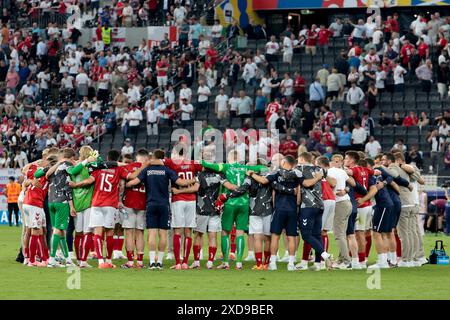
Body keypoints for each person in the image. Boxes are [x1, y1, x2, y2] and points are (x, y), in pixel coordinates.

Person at [126, 149, 195, 269]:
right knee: (163, 234)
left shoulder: (147, 170)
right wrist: (193, 180)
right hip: (164, 204)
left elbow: (134, 182)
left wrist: (127, 184)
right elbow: (180, 182)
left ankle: (152, 262)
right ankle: (160, 262)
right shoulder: (167, 170)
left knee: (152, 233)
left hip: (151, 204)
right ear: (163, 158)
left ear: (153, 157)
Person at [68, 150, 129, 269]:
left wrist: (75, 185)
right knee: (109, 232)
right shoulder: (118, 169)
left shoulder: (97, 169)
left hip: (95, 203)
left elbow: (88, 181)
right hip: (110, 204)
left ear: (106, 157)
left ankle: (100, 261)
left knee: (96, 232)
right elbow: (124, 183)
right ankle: (109, 260)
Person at [35, 148, 77, 267]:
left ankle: (68, 259)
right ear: (72, 157)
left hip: (51, 201)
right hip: (62, 202)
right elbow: (69, 184)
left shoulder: (52, 168)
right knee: (58, 230)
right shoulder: (67, 165)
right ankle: (52, 259)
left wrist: (53, 165)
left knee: (60, 230)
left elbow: (36, 174)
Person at [120, 149, 149, 269]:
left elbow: (122, 185)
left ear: (136, 156)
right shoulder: (149, 169)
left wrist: (119, 199)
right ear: (146, 157)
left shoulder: (128, 167)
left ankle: (130, 261)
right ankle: (140, 262)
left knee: (129, 233)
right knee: (140, 233)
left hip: (129, 202)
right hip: (143, 203)